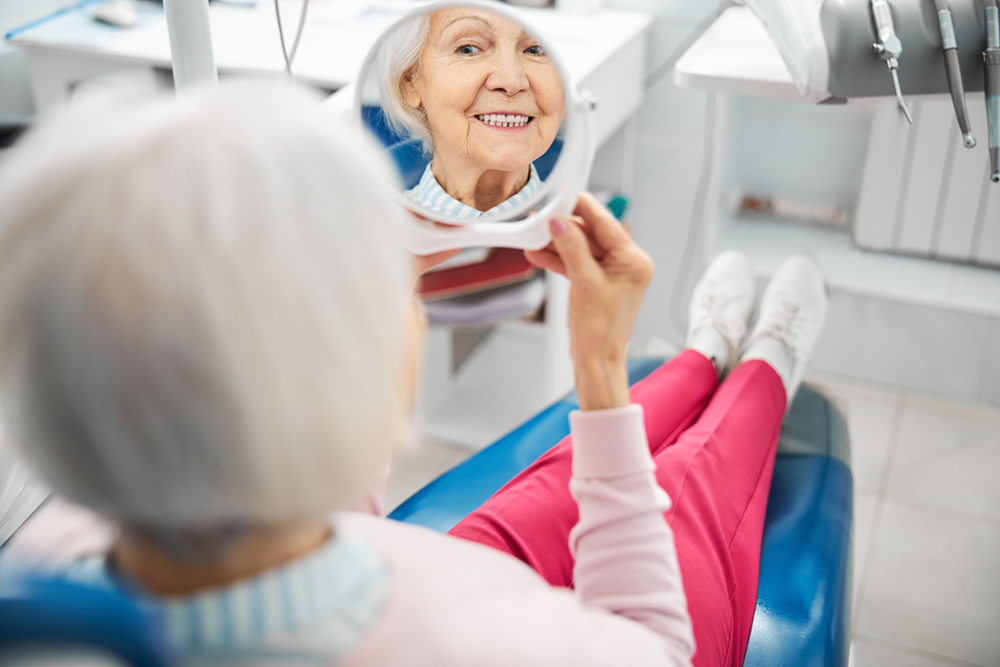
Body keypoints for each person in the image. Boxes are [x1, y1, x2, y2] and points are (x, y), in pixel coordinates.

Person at [0, 81, 827, 667]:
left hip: (391, 565)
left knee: (561, 487)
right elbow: (652, 646)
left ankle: (700, 354)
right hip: (456, 602)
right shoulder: (484, 649)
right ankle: (763, 365)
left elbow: (315, 513)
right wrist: (600, 366)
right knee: (688, 484)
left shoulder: (51, 558)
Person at [378, 7, 564, 217]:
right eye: (468, 49)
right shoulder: (376, 237)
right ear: (410, 84)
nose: (512, 82)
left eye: (535, 50)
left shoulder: (584, 235)